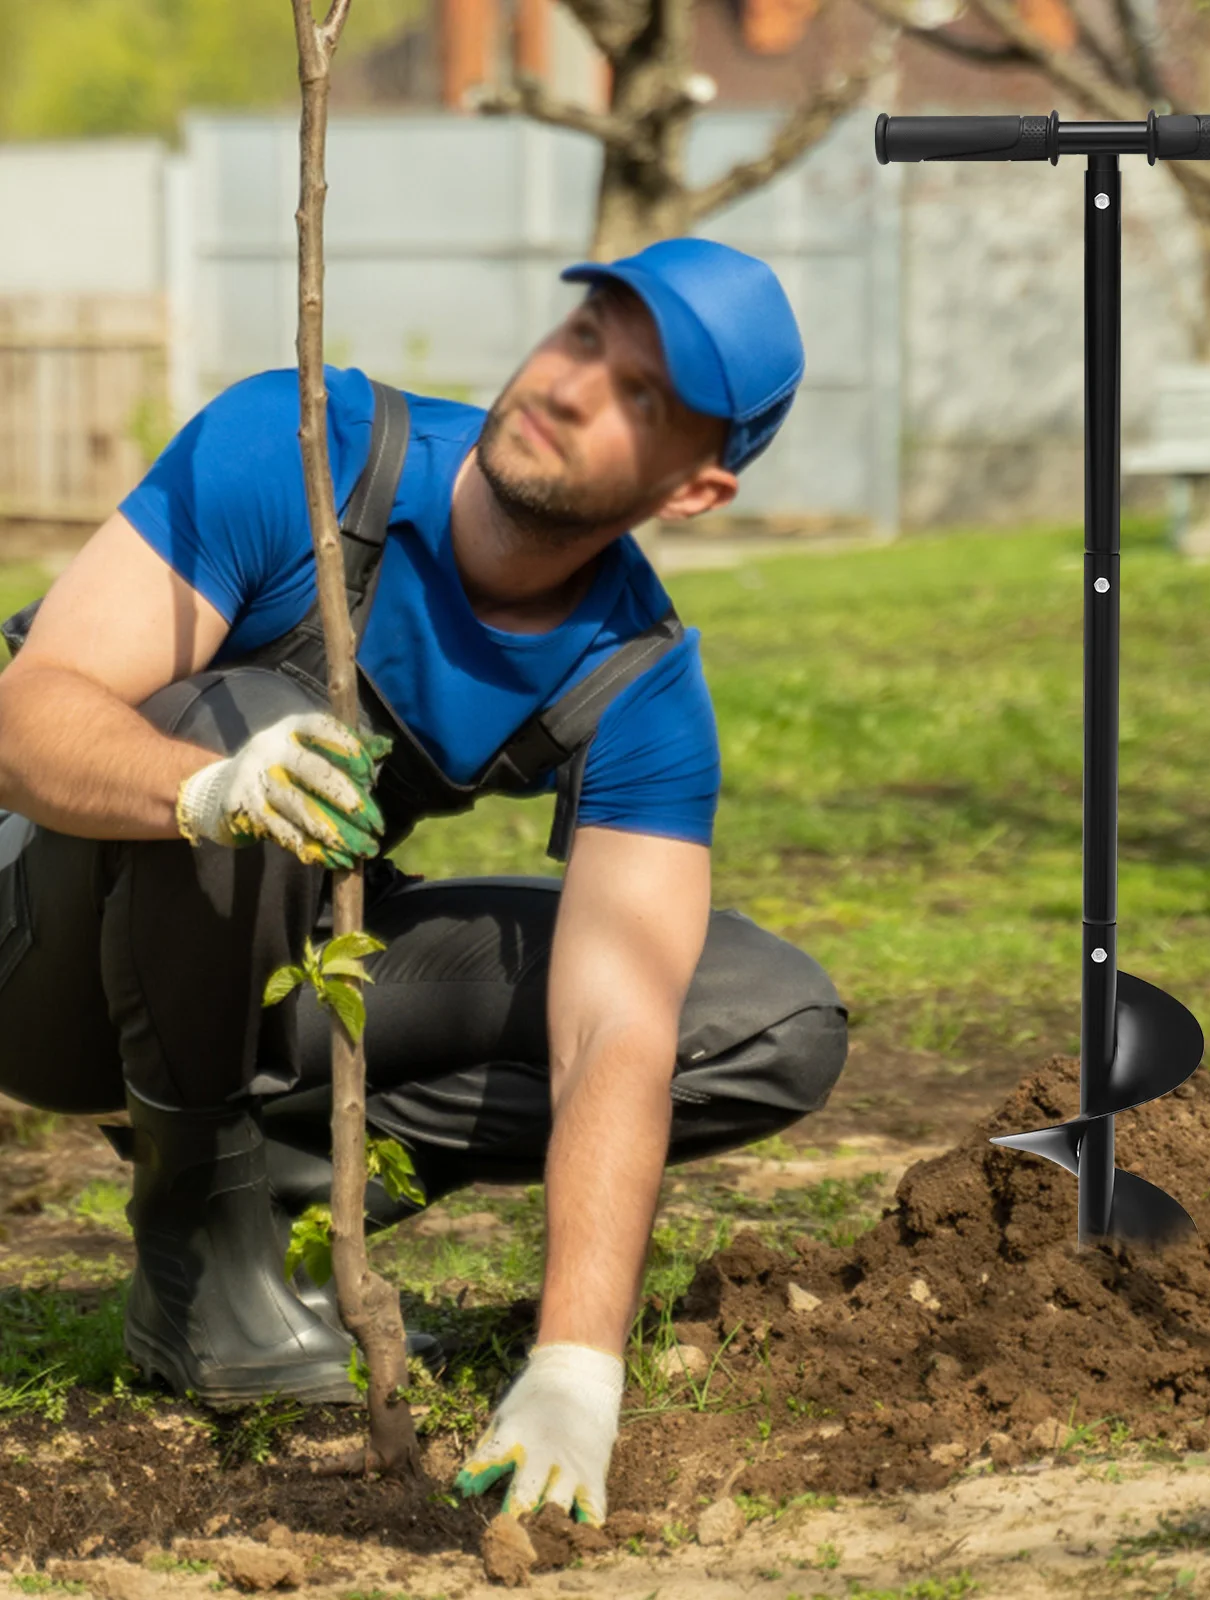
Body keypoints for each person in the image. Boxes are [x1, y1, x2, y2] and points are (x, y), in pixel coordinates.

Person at [0, 238, 848, 1525]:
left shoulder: (636, 683)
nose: (569, 388)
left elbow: (617, 1018)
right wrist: (199, 790)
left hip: (250, 948)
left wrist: (577, 1364)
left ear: (694, 489)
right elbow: (26, 721)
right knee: (251, 717)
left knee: (764, 1017)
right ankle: (196, 1250)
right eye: (585, 336)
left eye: (638, 397)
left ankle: (265, 1187)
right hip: (37, 943)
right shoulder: (300, 448)